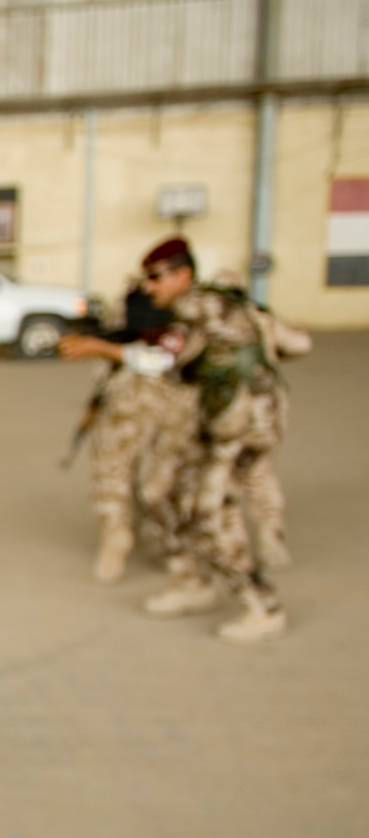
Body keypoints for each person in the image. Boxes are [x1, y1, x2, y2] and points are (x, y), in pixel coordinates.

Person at [62, 237, 309, 642]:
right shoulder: (217, 306)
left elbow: (161, 361)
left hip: (242, 426)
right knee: (157, 489)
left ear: (184, 275)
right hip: (220, 420)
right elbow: (301, 344)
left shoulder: (198, 307)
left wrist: (100, 347)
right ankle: (191, 582)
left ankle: (261, 605)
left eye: (157, 278)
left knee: (211, 508)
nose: (150, 287)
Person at [63, 277, 197, 582]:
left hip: (147, 407)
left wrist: (104, 348)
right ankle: (153, 544)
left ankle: (127, 539)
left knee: (122, 477)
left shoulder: (184, 323)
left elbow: (159, 360)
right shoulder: (186, 317)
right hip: (156, 407)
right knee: (153, 480)